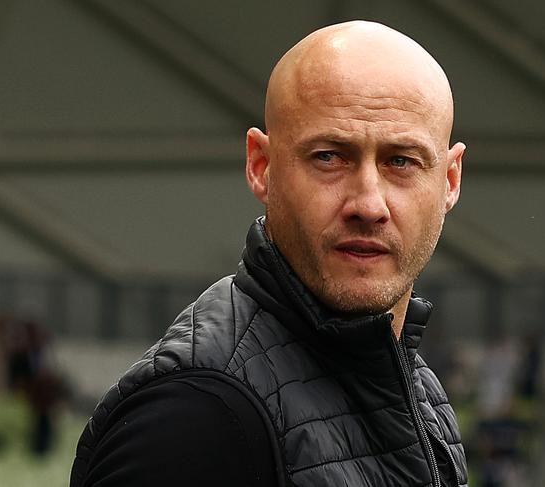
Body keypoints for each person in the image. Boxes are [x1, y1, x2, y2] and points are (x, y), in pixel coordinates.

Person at [71, 20, 468, 487]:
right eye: (329, 156)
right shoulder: (194, 419)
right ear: (261, 166)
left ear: (449, 181)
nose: (368, 203)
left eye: (401, 161)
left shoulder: (416, 389)